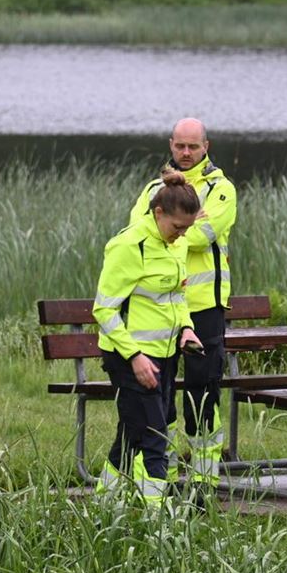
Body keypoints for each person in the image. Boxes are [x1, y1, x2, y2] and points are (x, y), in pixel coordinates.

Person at [128, 118, 237, 496]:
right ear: (171, 145)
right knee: (160, 397)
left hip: (205, 308)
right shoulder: (153, 189)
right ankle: (166, 477)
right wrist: (181, 226)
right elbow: (138, 232)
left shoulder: (222, 190)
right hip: (163, 309)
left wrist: (171, 228)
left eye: (193, 146)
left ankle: (205, 485)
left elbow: (201, 234)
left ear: (206, 145)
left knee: (201, 394)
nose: (186, 153)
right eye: (180, 146)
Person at [94, 170, 202, 506]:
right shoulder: (128, 246)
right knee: (157, 436)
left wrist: (186, 328)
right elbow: (104, 310)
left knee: (130, 436)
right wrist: (135, 357)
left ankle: (103, 505)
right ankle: (158, 526)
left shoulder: (176, 244)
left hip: (167, 354)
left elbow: (176, 296)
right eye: (177, 227)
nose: (182, 235)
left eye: (187, 228)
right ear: (158, 214)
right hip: (130, 358)